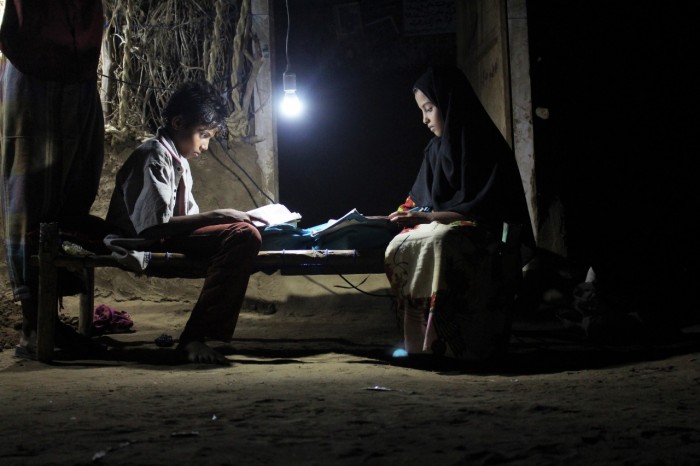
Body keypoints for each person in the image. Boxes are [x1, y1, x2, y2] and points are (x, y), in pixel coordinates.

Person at [106, 80, 265, 364]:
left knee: (248, 232)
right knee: (243, 235)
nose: (205, 145)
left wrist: (226, 220)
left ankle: (198, 336)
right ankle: (194, 338)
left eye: (209, 138)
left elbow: (187, 221)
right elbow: (152, 226)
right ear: (178, 123)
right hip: (145, 240)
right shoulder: (154, 155)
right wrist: (219, 216)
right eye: (203, 135)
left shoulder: (178, 160)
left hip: (166, 235)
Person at [384, 65, 533, 363]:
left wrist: (431, 219)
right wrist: (401, 215)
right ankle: (420, 344)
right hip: (443, 229)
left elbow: (488, 210)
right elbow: (417, 200)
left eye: (429, 108)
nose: (424, 119)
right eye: (421, 111)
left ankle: (458, 346)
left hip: (486, 237)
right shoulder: (435, 151)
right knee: (400, 243)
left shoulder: (487, 147)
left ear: (449, 103)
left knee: (442, 240)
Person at [0, 0, 106, 358]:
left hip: (79, 73)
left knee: (77, 191)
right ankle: (34, 324)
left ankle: (51, 319)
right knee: (28, 198)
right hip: (33, 70)